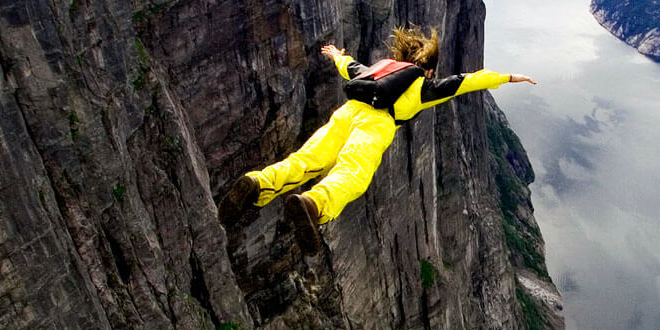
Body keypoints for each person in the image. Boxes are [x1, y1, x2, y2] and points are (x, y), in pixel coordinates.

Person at [217, 26, 535, 249]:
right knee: (353, 173)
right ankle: (314, 204)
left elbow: (350, 66)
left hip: (345, 113)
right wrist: (508, 77)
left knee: (305, 161)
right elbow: (466, 81)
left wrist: (336, 55)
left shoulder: (378, 71)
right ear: (428, 70)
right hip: (375, 125)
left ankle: (257, 183)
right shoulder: (423, 87)